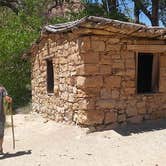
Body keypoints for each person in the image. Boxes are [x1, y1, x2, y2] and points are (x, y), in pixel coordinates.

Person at [0, 85, 12, 154]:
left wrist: (9, 99)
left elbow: (7, 98)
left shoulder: (2, 89)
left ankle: (0, 148)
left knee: (1, 134)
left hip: (1, 115)